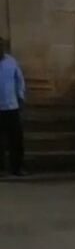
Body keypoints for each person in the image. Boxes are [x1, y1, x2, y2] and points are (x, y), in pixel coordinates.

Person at [0, 36, 26, 177]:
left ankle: (17, 167)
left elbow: (19, 80)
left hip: (11, 106)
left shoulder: (11, 62)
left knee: (16, 140)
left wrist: (20, 97)